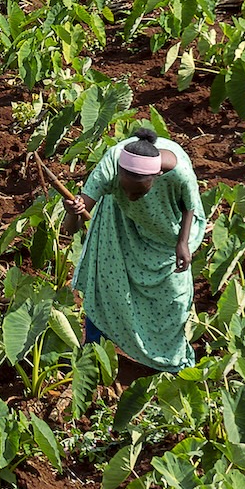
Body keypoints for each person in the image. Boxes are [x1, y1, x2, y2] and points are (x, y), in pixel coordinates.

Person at [68, 125, 204, 371]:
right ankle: (94, 353)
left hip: (166, 233)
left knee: (173, 297)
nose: (130, 196)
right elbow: (72, 227)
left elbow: (190, 204)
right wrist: (73, 213)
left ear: (158, 175)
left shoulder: (178, 171)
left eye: (138, 192)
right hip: (119, 225)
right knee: (107, 287)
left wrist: (183, 243)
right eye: (125, 189)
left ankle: (169, 363)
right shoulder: (110, 166)